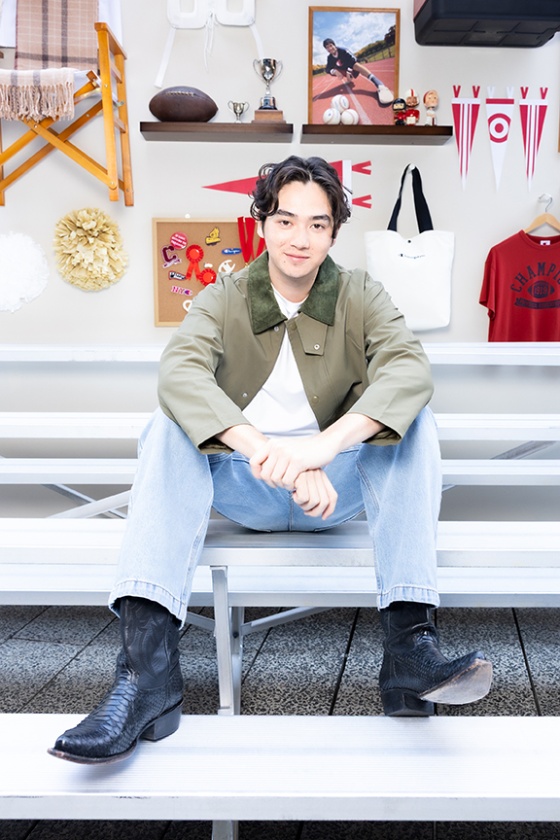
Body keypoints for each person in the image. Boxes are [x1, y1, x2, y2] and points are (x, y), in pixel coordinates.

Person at [48, 155, 492, 765]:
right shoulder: (224, 295)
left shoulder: (361, 293)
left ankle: (410, 651)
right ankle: (145, 676)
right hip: (247, 485)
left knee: (417, 422)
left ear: (335, 230)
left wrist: (321, 449)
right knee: (165, 425)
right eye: (285, 220)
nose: (299, 238)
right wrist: (264, 449)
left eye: (317, 224)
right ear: (262, 223)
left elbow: (409, 369)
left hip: (335, 487)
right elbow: (179, 372)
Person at [322, 38, 393, 104]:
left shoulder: (344, 50)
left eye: (331, 46)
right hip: (343, 70)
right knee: (334, 69)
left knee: (357, 65)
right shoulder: (330, 58)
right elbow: (327, 69)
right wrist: (335, 71)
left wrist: (348, 72)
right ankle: (348, 78)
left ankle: (380, 85)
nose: (330, 48)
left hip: (351, 68)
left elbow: (354, 60)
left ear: (334, 45)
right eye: (327, 47)